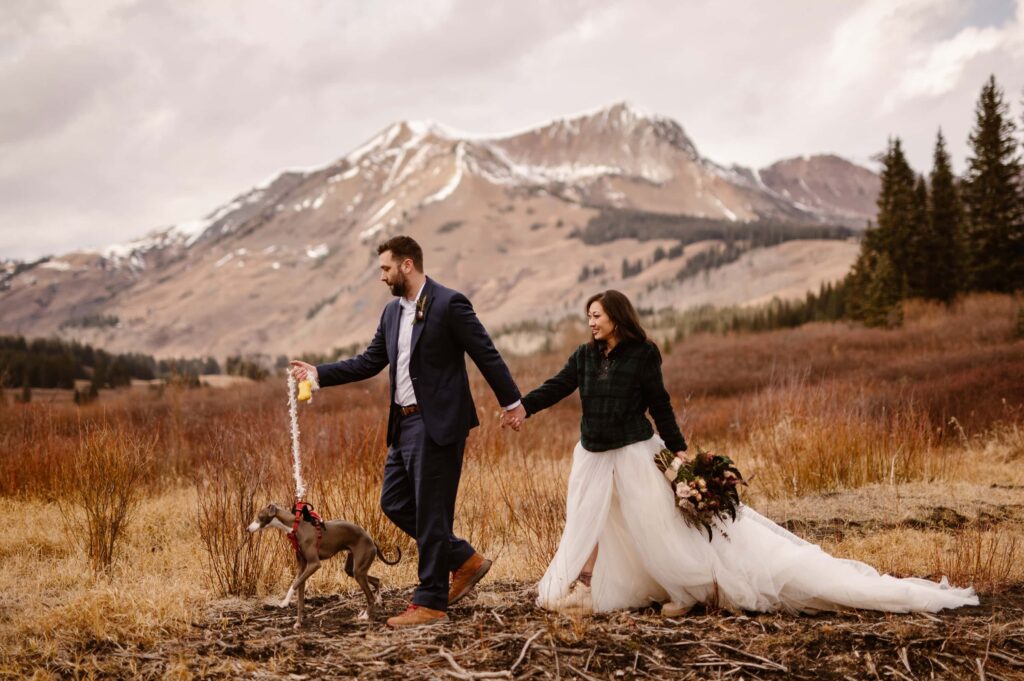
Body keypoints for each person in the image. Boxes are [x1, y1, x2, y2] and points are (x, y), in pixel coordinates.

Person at [507, 290, 978, 616]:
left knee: (657, 524)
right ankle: (583, 588)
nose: (590, 321)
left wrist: (680, 454)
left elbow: (660, 405)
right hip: (591, 454)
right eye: (587, 315)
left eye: (597, 314)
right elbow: (558, 387)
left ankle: (685, 589)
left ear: (617, 316)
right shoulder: (583, 357)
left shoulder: (643, 354)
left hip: (634, 452)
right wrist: (523, 407)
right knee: (587, 518)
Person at [290, 235, 525, 627]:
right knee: (394, 501)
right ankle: (463, 558)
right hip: (403, 424)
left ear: (407, 265)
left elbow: (485, 352)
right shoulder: (391, 313)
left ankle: (431, 602)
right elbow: (369, 362)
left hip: (438, 425)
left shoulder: (450, 304)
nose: (382, 276)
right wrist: (319, 374)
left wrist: (512, 402)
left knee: (432, 514)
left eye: (385, 268)